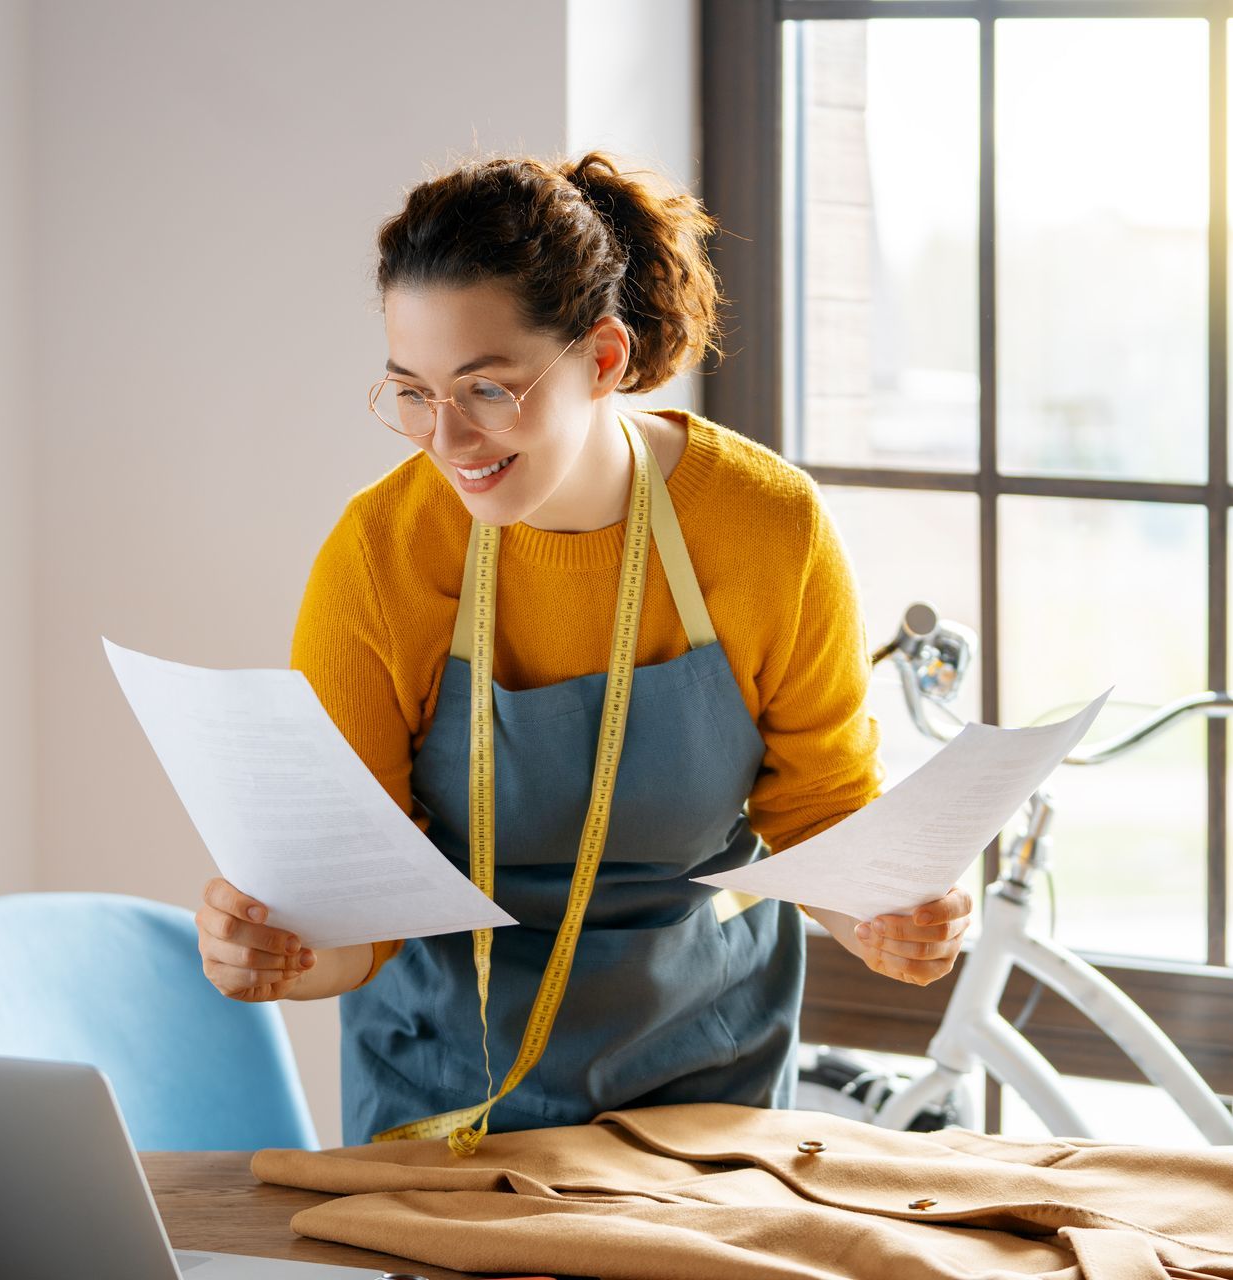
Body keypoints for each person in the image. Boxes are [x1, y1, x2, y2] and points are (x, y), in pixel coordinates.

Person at [196, 150, 974, 1149]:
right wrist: (279, 953)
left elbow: (818, 811)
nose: (447, 439)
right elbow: (358, 909)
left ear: (603, 359)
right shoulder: (381, 557)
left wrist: (884, 917)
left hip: (707, 1099)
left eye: (486, 389)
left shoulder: (767, 528)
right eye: (414, 393)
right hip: (449, 1104)